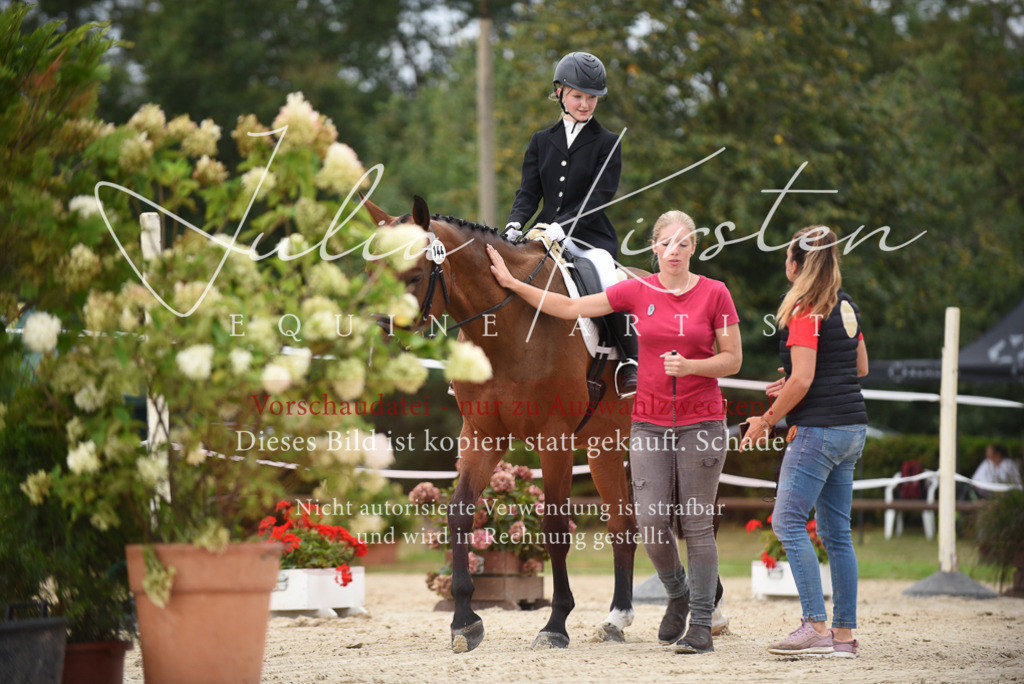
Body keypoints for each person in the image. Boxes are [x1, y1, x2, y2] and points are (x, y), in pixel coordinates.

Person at [488, 210, 742, 654]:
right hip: (648, 422)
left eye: (684, 243)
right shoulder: (635, 290)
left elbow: (733, 360)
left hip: (701, 419)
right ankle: (678, 593)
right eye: (667, 243)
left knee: (696, 524)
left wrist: (693, 367)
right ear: (654, 249)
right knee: (649, 524)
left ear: (694, 248)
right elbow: (569, 307)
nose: (675, 251)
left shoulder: (716, 293)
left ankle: (701, 624)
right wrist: (512, 284)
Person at [741, 225, 868, 659]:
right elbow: (860, 367)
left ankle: (814, 623)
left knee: (787, 522)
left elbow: (805, 377)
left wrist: (765, 420)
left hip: (818, 430)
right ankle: (844, 638)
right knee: (838, 536)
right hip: (852, 429)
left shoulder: (805, 308)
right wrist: (795, 384)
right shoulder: (846, 305)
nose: (785, 267)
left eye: (786, 260)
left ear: (797, 264)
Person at [504, 51, 638, 397]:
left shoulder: (608, 142)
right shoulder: (540, 141)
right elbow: (528, 193)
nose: (585, 103)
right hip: (542, 232)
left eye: (591, 97)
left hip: (590, 236)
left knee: (606, 277)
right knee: (504, 274)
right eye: (578, 96)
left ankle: (629, 360)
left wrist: (563, 226)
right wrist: (515, 225)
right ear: (560, 92)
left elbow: (599, 196)